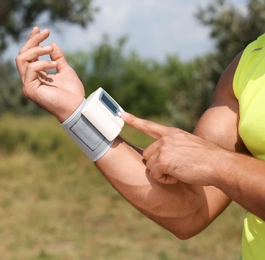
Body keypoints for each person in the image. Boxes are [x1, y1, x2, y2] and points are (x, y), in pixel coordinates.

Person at [15, 26, 265, 259]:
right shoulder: (249, 63)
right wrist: (76, 113)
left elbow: (214, 165)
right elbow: (190, 209)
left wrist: (217, 162)